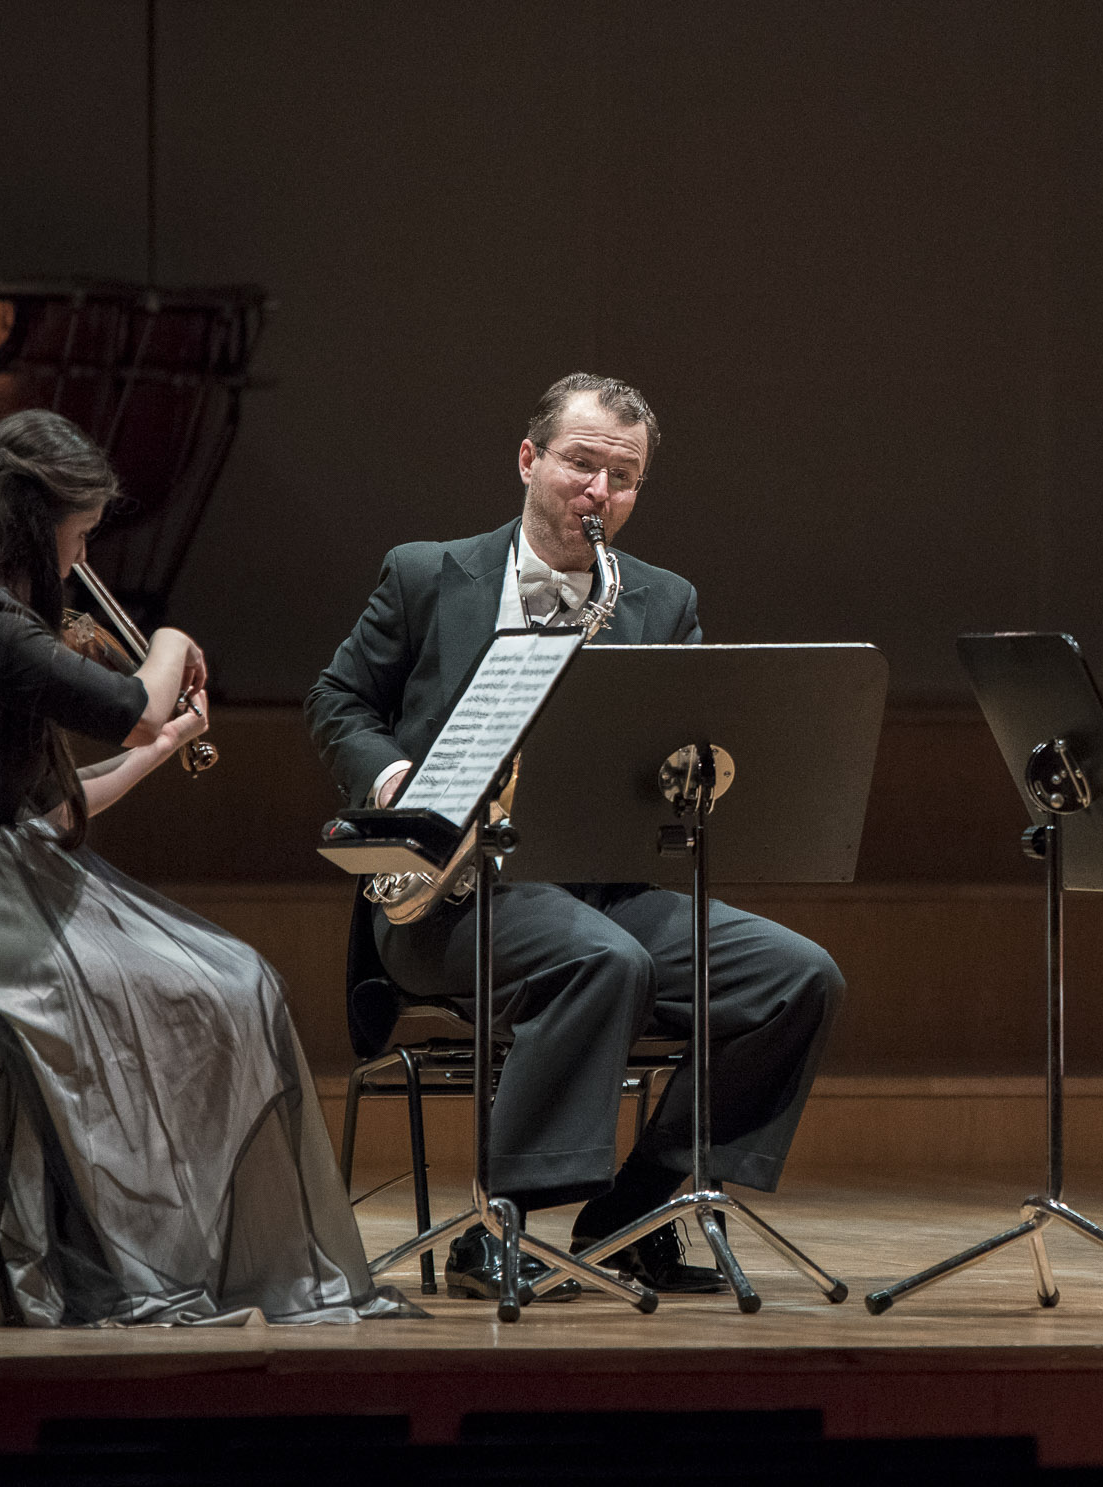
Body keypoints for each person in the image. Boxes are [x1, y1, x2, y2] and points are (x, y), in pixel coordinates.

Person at [0, 408, 412, 1326]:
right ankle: (131, 1253)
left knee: (237, 980)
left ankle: (163, 1247)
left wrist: (165, 743)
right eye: (82, 531)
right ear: (38, 520)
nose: (80, 554)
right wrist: (173, 642)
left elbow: (56, 807)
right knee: (199, 996)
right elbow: (131, 706)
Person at [306, 373, 845, 1300]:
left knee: (797, 979)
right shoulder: (428, 572)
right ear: (530, 460)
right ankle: (496, 1226)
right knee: (605, 963)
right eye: (581, 465)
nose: (600, 493)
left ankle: (632, 1216)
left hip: (604, 890)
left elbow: (673, 763)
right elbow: (338, 700)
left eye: (623, 479)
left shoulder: (663, 602)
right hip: (447, 895)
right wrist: (395, 778)